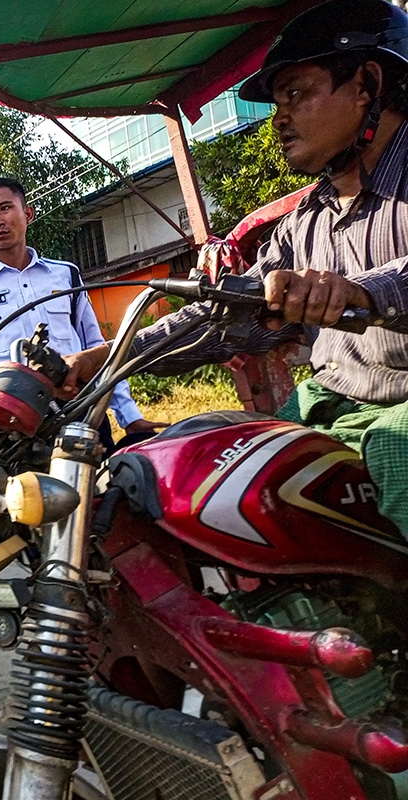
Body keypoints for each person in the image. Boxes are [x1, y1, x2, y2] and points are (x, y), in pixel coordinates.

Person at [61, 0, 408, 535]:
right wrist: (110, 356)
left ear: (367, 83)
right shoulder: (304, 223)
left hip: (400, 414)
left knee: (399, 455)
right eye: (276, 103)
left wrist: (355, 292)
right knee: (201, 471)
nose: (281, 118)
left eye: (296, 93)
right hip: (328, 405)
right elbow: (224, 312)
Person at [0, 176, 160, 452]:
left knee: (105, 490)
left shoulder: (65, 275)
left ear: (28, 213)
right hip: (10, 426)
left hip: (81, 412)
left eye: (6, 208)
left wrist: (130, 416)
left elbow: (100, 350)